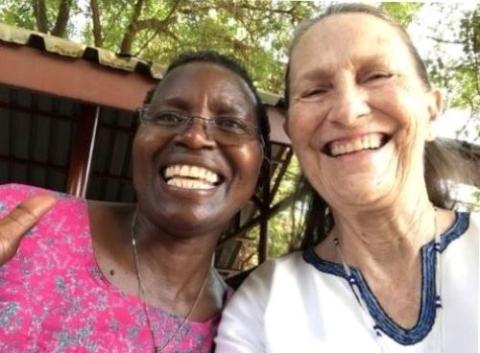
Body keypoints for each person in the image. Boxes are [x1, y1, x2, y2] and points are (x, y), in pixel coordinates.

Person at [216, 4, 478, 353]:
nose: (348, 112)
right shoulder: (265, 303)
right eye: (314, 91)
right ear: (292, 129)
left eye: (377, 75)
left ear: (431, 110)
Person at [0, 50, 270, 353]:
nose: (195, 137)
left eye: (230, 124)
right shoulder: (17, 219)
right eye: (169, 117)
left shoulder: (243, 333)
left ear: (260, 168)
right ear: (137, 140)